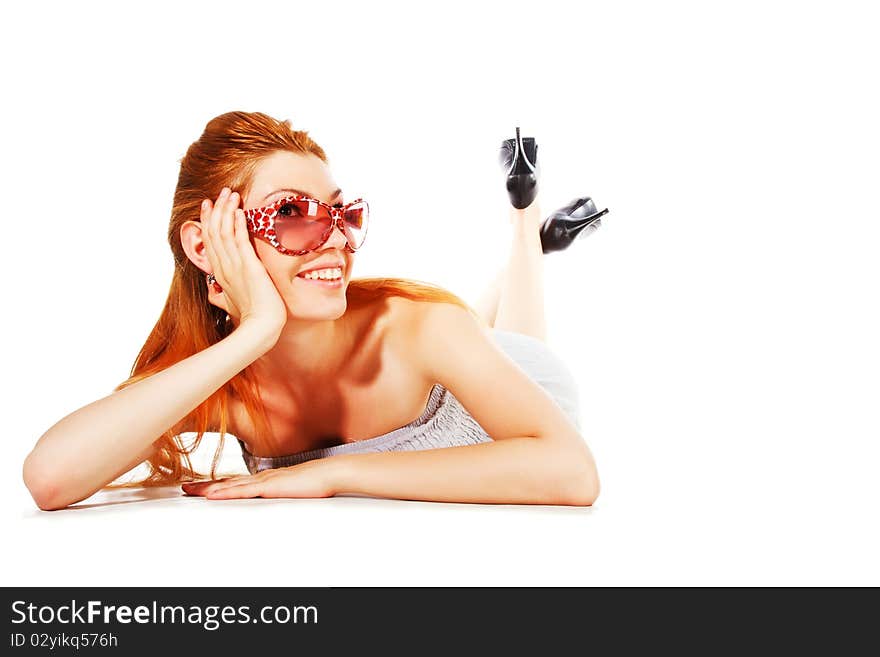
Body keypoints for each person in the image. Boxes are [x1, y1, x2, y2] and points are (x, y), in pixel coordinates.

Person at [22, 112, 604, 510]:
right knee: (480, 326)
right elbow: (49, 478)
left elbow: (571, 473)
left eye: (340, 214)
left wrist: (332, 473)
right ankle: (536, 241)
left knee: (516, 339)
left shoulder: (423, 326)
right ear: (206, 246)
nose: (335, 242)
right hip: (446, 363)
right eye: (293, 216)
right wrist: (255, 331)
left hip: (521, 394)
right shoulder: (223, 389)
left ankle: (526, 229)